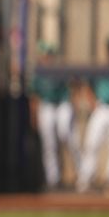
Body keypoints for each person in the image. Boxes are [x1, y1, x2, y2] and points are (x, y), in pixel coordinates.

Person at [76, 37, 109, 192]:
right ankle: (86, 178)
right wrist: (92, 103)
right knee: (92, 143)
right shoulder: (101, 67)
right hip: (101, 107)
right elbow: (87, 85)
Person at [29, 42, 80, 189]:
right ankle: (53, 179)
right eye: (44, 55)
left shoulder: (59, 69)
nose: (47, 58)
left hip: (62, 104)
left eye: (49, 55)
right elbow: (34, 95)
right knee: (49, 143)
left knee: (67, 134)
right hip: (47, 105)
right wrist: (34, 115)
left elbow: (75, 84)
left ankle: (83, 173)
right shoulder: (38, 72)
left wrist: (74, 102)